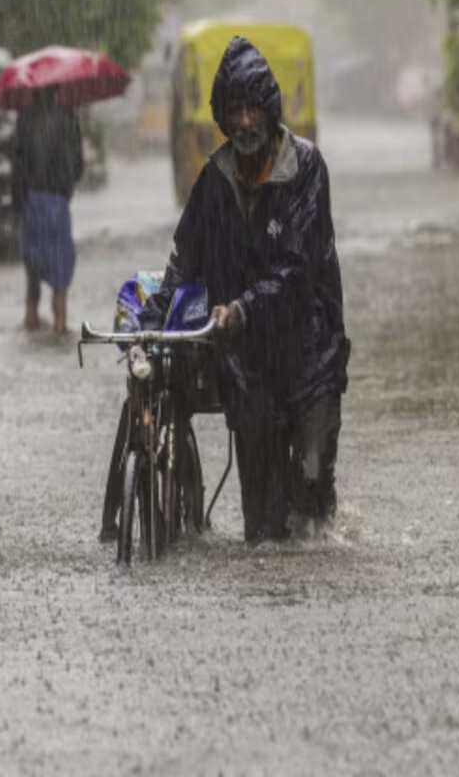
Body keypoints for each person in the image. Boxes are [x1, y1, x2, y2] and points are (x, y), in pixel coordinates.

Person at [137, 36, 350, 543]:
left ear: (270, 111)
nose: (246, 122)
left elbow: (298, 269)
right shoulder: (214, 180)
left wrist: (243, 308)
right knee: (262, 525)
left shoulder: (306, 169)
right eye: (235, 111)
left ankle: (319, 522)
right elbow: (183, 262)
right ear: (223, 119)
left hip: (310, 351)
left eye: (254, 109)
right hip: (248, 364)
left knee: (312, 482)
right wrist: (153, 320)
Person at [13, 86, 83, 334]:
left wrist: (18, 201)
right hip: (58, 200)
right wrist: (66, 185)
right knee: (60, 263)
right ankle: (60, 323)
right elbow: (78, 163)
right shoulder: (68, 117)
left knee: (33, 262)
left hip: (33, 199)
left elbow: (17, 166)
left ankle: (31, 316)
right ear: (56, 91)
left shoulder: (24, 119)